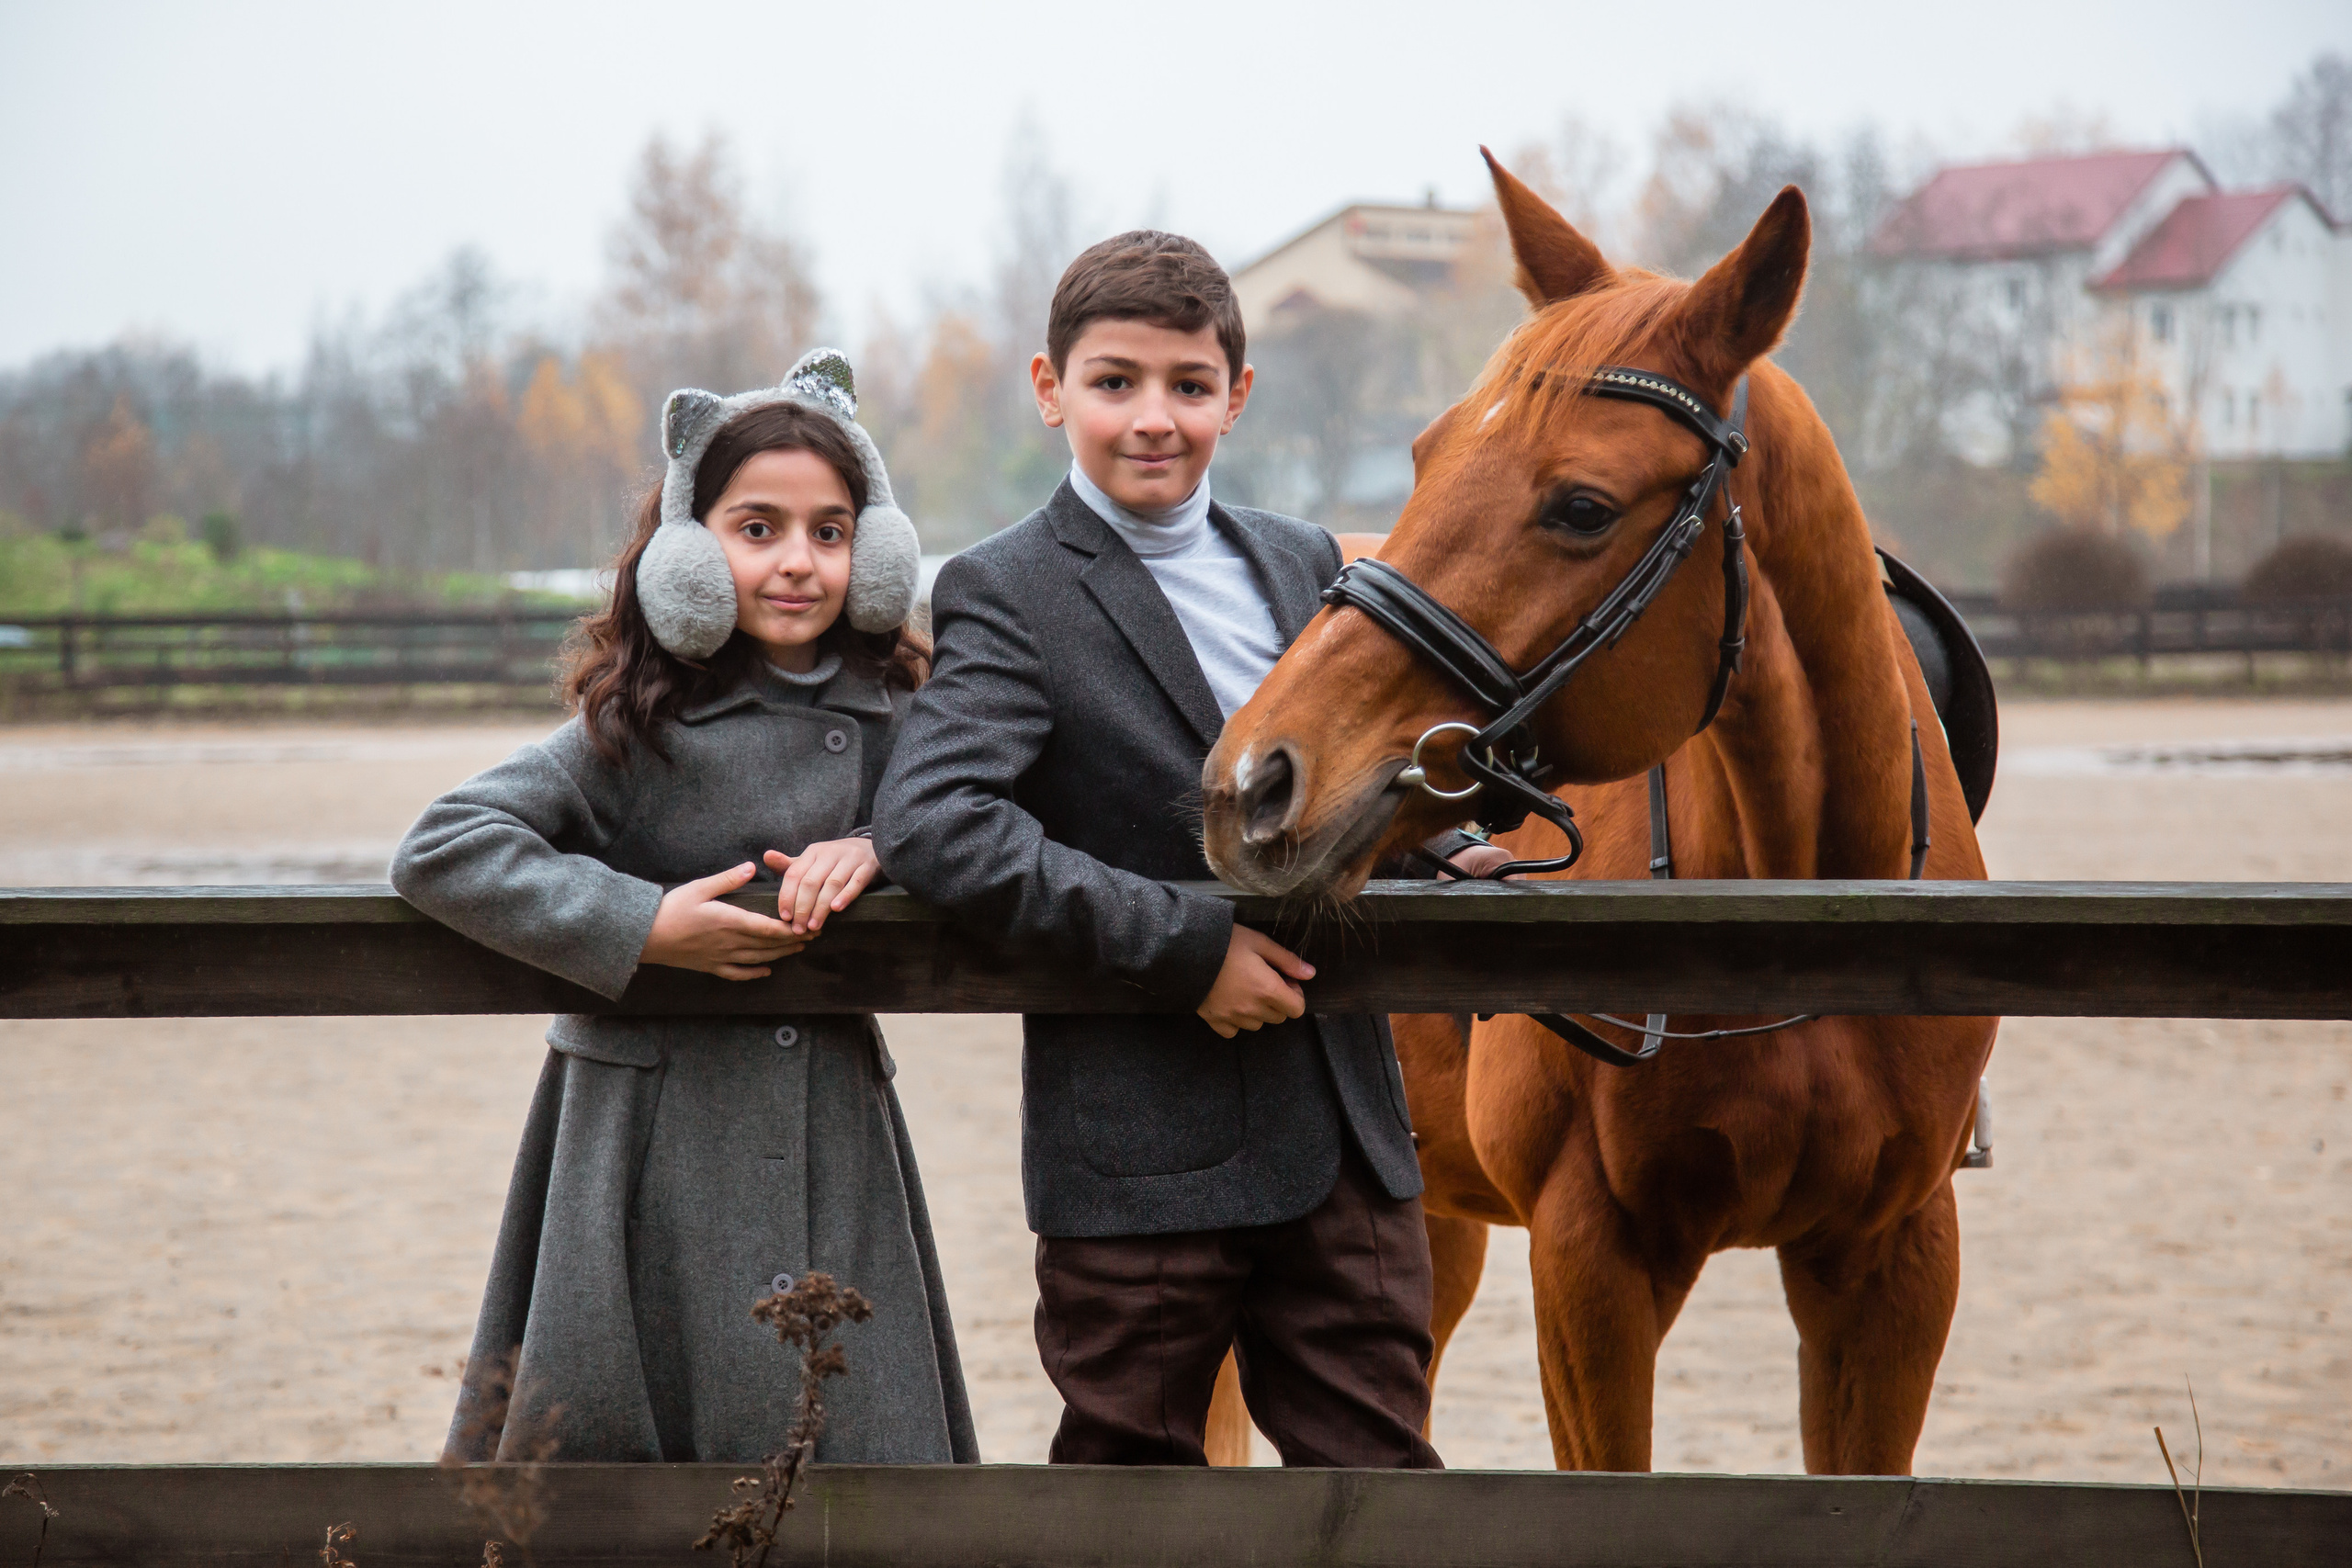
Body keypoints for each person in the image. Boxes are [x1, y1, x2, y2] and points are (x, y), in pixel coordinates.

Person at [876, 233, 1482, 1469]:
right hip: (1141, 1148)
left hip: (1345, 1134)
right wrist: (1186, 949)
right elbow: (938, 822)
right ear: (1051, 389)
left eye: (1189, 385)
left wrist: (1441, 850)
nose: (1154, 417)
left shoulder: (1307, 562)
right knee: (1129, 1497)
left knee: (1384, 1489)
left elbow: (1333, 788)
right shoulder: (1006, 588)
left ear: (1235, 397)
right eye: (1116, 382)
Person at [393, 350, 977, 1466]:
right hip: (641, 1131)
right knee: (615, 1459)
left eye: (831, 531)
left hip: (828, 1113)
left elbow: (989, 821)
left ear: (873, 550)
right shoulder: (632, 723)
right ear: (686, 550)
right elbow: (444, 846)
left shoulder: (906, 716)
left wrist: (881, 844)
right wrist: (642, 927)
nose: (797, 561)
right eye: (757, 529)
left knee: (860, 1452)